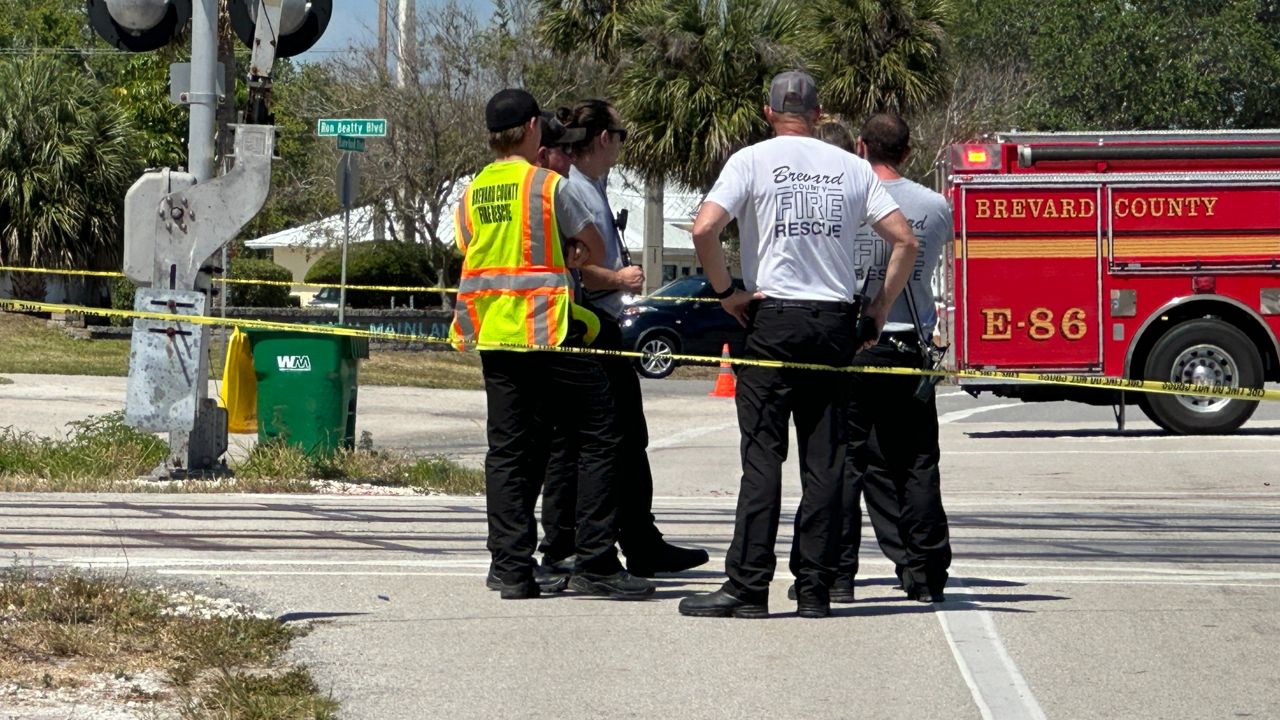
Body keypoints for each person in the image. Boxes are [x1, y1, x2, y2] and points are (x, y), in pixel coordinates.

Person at [678, 71, 918, 619]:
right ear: (819, 113)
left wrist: (726, 292)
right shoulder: (853, 167)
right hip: (834, 323)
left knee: (762, 457)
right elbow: (904, 239)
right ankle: (814, 586)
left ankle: (747, 587)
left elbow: (703, 229)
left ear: (769, 113)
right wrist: (878, 308)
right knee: (827, 460)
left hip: (773, 318)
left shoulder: (752, 160)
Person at [452, 88, 653, 601]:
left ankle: (511, 567)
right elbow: (594, 246)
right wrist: (565, 251)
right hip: (547, 330)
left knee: (509, 451)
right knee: (603, 432)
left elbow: (469, 245)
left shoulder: (472, 192)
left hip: (494, 334)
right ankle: (594, 561)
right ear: (532, 130)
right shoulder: (545, 187)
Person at [538, 99, 710, 578]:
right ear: (601, 139)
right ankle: (580, 547)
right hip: (587, 326)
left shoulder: (591, 186)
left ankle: (639, 540)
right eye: (619, 135)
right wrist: (618, 279)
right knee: (594, 442)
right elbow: (575, 266)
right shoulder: (571, 188)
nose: (621, 144)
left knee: (625, 439)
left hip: (601, 325)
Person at [841, 113, 953, 603]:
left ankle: (836, 573)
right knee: (917, 462)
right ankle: (925, 573)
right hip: (910, 343)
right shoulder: (934, 205)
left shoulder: (845, 197)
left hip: (853, 340)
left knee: (845, 461)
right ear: (908, 152)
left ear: (861, 146)